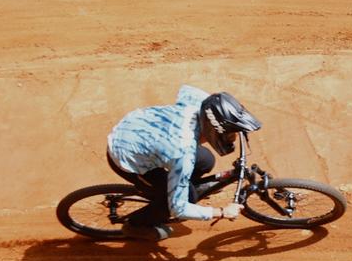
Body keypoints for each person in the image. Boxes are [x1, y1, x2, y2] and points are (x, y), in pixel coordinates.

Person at [105, 85, 262, 240]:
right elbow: (179, 210)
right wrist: (221, 212)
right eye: (229, 134)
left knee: (206, 160)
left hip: (140, 128)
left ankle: (179, 185)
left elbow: (186, 90)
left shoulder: (202, 104)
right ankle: (135, 225)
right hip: (125, 153)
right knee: (186, 199)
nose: (231, 138)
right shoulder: (182, 153)